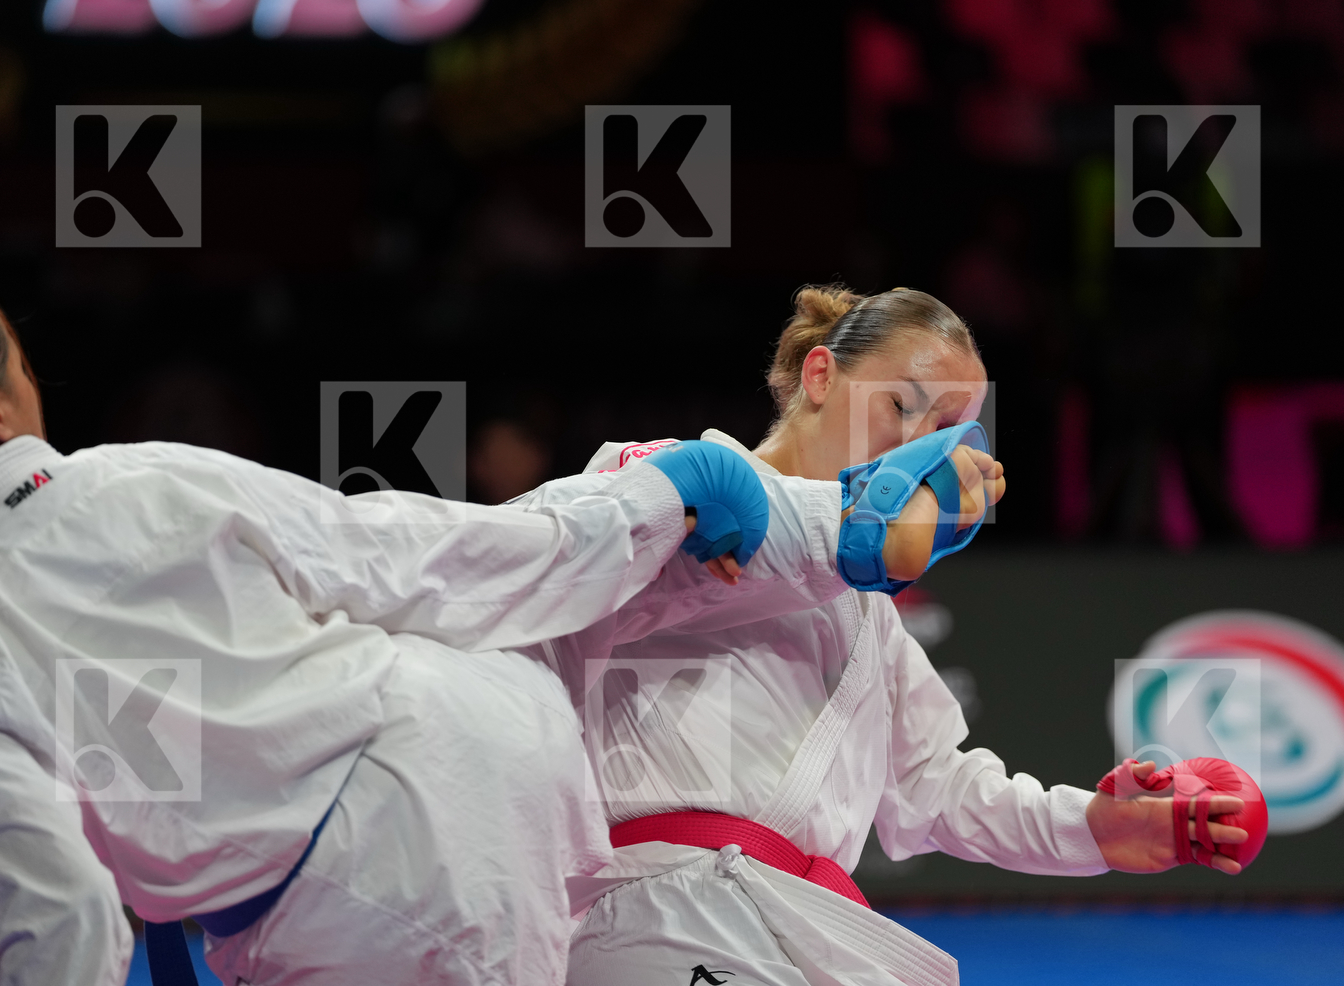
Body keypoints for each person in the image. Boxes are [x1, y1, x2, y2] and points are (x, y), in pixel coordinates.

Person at [0, 271, 952, 986]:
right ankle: (809, 519)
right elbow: (404, 558)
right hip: (485, 746)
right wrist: (661, 498)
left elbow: (51, 915)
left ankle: (790, 515)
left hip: (372, 887)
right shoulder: (133, 477)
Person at [512, 285, 1249, 986]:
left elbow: (938, 786)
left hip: (796, 925)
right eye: (901, 406)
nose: (917, 451)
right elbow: (658, 544)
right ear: (822, 374)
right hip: (660, 911)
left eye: (943, 435)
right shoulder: (670, 478)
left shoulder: (869, 620)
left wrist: (1095, 828)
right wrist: (873, 533)